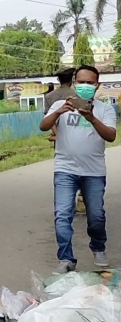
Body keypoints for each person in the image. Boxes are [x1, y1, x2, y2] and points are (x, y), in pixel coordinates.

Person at [39, 65, 117, 275]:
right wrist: (58, 112)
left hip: (94, 171)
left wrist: (91, 118)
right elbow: (43, 126)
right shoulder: (60, 104)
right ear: (74, 83)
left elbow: (110, 136)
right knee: (63, 215)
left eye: (90, 83)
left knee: (96, 215)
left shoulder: (105, 109)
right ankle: (66, 258)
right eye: (81, 82)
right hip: (65, 169)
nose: (85, 86)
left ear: (97, 85)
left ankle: (98, 247)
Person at [43, 68, 86, 214]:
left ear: (58, 80)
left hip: (58, 138)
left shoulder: (49, 96)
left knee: (63, 168)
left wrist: (58, 134)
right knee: (82, 166)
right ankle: (81, 199)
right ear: (72, 80)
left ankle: (65, 202)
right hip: (78, 136)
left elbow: (50, 118)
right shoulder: (76, 95)